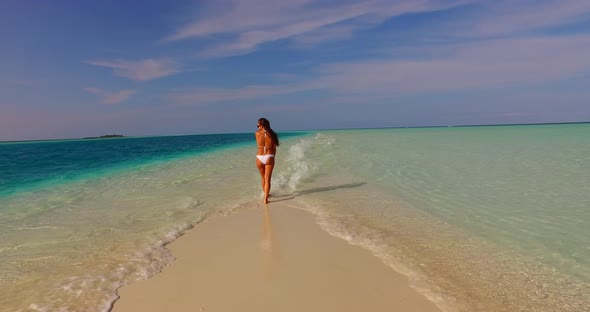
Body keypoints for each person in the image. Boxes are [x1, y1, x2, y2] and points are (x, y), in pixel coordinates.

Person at [255, 118, 279, 204]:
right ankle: (265, 199)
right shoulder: (273, 134)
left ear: (262, 125)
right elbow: (274, 148)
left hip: (259, 156)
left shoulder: (257, 133)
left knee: (263, 178)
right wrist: (272, 157)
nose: (257, 126)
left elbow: (260, 142)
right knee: (267, 178)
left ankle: (266, 194)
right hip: (269, 156)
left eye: (258, 125)